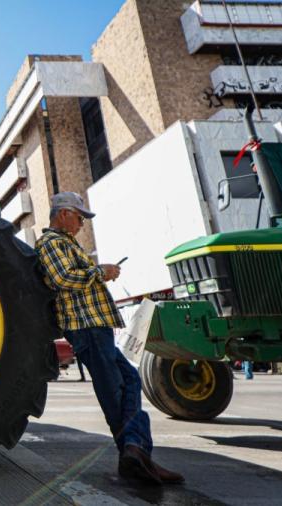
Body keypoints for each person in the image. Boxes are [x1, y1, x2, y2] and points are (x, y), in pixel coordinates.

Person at [35, 191, 184, 486]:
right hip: (86, 326)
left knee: (128, 381)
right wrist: (99, 272)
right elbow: (61, 279)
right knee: (115, 391)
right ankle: (134, 453)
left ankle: (135, 452)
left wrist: (97, 272)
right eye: (79, 218)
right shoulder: (51, 243)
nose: (81, 224)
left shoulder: (65, 243)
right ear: (63, 214)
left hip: (95, 326)